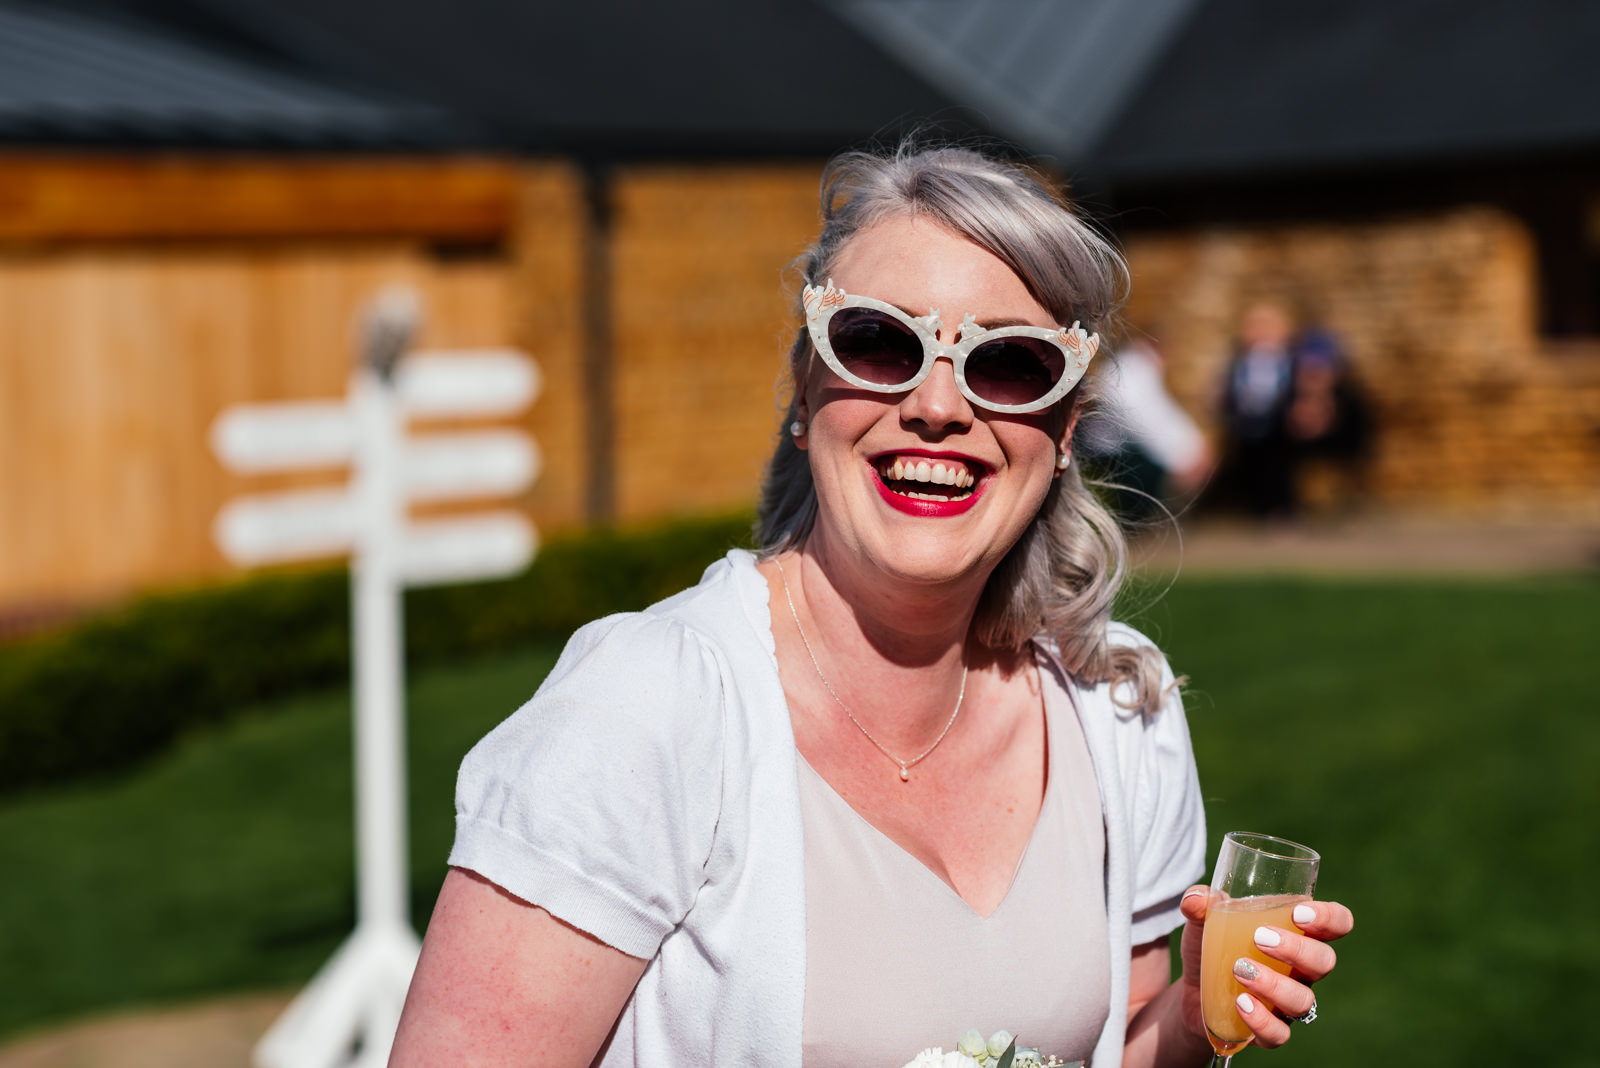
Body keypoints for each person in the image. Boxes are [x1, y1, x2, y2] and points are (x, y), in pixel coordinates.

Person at [389, 144, 1352, 1067]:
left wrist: (1191, 1022)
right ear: (807, 389)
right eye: (880, 343)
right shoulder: (645, 711)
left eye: (1010, 363)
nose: (938, 405)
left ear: (1065, 429)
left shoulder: (1118, 705)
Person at [1079, 331, 1215, 524]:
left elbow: (1160, 413)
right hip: (1119, 451)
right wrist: (1184, 454)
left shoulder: (1139, 371)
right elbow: (1143, 421)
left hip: (1132, 446)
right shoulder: (1129, 372)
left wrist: (1192, 443)